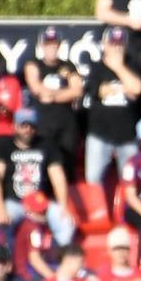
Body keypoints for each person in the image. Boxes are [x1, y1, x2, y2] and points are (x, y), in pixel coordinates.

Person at [0, 108, 74, 245]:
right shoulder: (4, 145)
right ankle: (8, 259)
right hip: (14, 203)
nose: (27, 129)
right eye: (23, 125)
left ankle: (61, 254)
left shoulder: (47, 145)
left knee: (67, 222)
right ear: (15, 126)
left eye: (31, 126)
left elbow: (58, 177)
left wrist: (63, 206)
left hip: (41, 202)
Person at [84, 27, 141, 189]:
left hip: (127, 134)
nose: (117, 48)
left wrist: (119, 67)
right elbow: (100, 91)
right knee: (93, 178)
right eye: (113, 44)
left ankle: (127, 212)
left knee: (130, 180)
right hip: (100, 133)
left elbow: (137, 88)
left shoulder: (133, 65)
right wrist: (125, 88)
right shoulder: (96, 67)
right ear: (105, 44)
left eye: (120, 44)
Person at [23, 26, 84, 173]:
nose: (51, 48)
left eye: (54, 44)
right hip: (44, 125)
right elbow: (36, 88)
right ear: (41, 46)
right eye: (48, 44)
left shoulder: (68, 66)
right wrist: (64, 93)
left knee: (67, 166)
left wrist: (52, 95)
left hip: (66, 125)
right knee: (43, 165)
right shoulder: (34, 64)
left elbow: (77, 90)